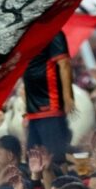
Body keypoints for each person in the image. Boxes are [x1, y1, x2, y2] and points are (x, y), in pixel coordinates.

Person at [24, 30, 74, 162]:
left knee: (55, 156)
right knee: (34, 158)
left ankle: (62, 182)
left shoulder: (53, 32)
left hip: (50, 103)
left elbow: (64, 64)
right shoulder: (26, 35)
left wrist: (68, 97)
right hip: (33, 108)